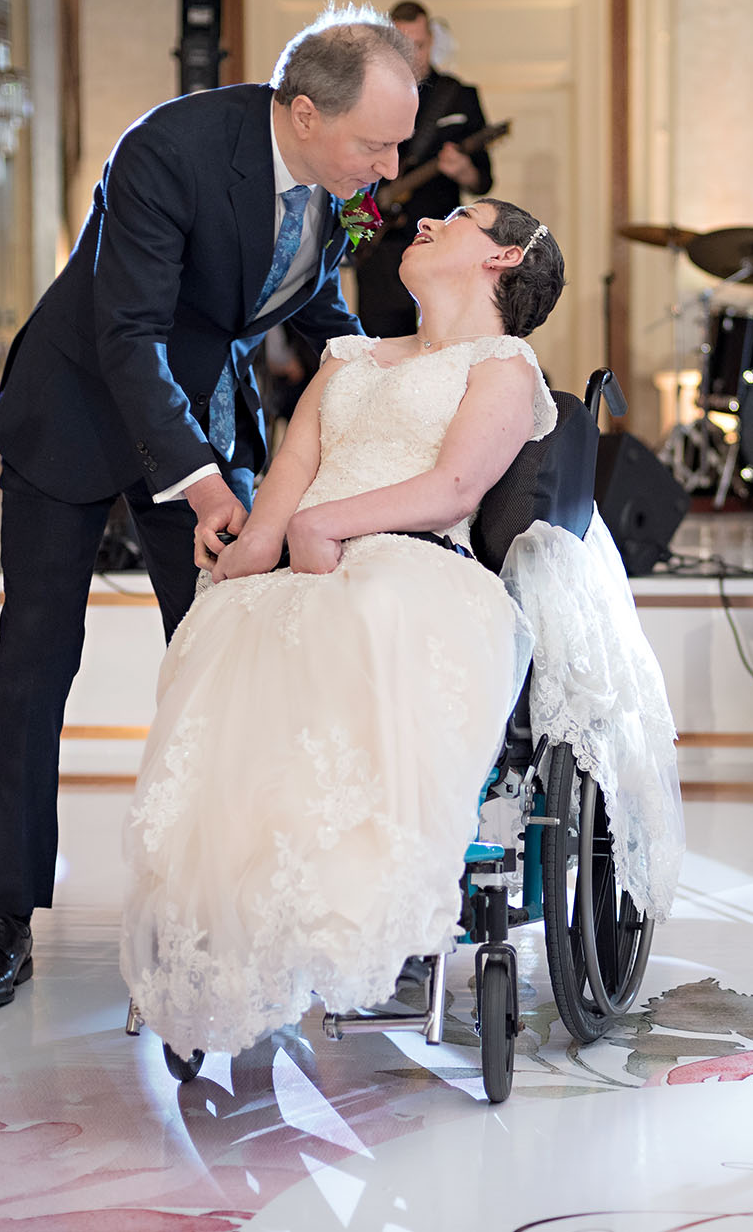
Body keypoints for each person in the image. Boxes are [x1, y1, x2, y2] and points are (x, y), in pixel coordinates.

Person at [0, 7, 419, 1011]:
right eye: (373, 143)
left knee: (226, 655)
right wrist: (201, 481)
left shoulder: (349, 183)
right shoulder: (171, 150)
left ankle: (222, 900)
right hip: (77, 405)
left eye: (396, 143)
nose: (387, 166)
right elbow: (127, 332)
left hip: (201, 407)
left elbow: (322, 306)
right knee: (34, 661)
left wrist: (397, 387)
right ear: (301, 114)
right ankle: (6, 914)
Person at [120, 200, 555, 1055]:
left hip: (413, 562)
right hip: (313, 562)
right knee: (226, 620)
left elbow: (458, 486)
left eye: (456, 218)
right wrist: (250, 552)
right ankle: (235, 914)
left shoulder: (502, 364)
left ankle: (351, 906)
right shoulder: (348, 357)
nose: (426, 221)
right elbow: (292, 473)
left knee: (368, 610)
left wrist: (334, 526)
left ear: (503, 259)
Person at [354, 0, 496, 338]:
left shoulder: (459, 96)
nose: (411, 55)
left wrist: (462, 169)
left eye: (418, 45)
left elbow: (483, 181)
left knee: (442, 344)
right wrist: (353, 235)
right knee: (381, 351)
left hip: (440, 243)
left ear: (430, 41)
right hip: (379, 248)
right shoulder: (363, 96)